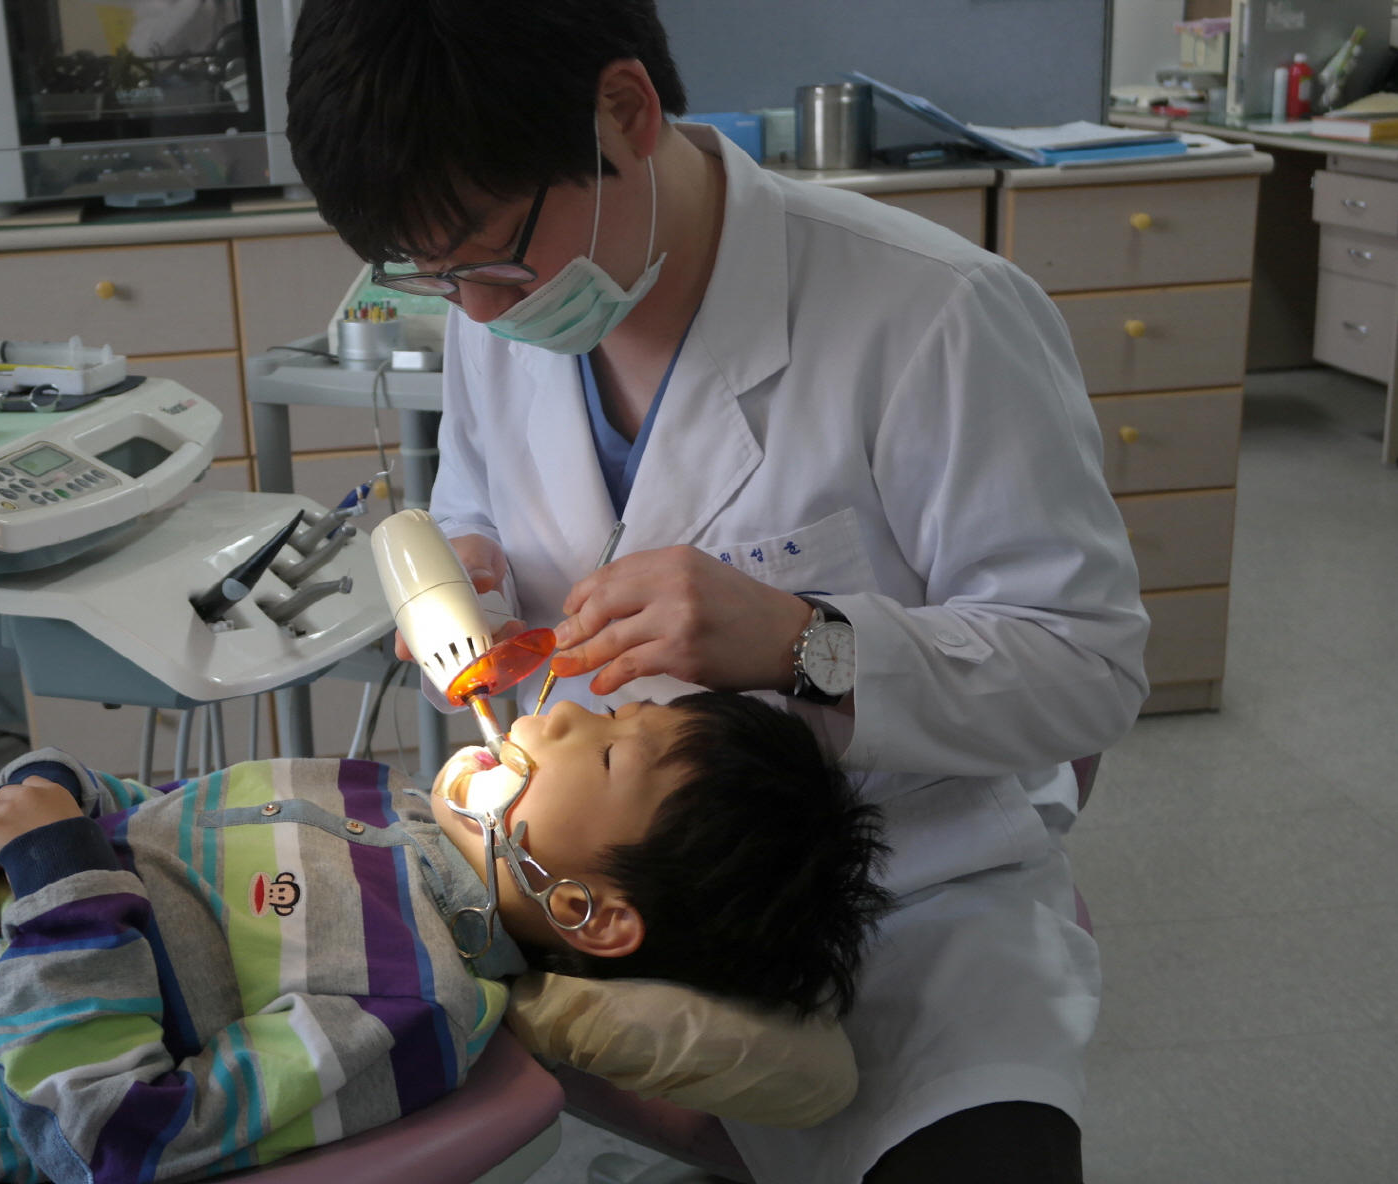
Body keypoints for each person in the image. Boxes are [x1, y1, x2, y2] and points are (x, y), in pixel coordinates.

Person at [285, 2, 1149, 1182]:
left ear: (624, 112)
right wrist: (475, 565)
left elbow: (1088, 670)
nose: (474, 311)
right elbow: (481, 499)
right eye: (431, 274)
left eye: (486, 254)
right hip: (597, 911)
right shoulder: (503, 309)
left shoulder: (937, 314)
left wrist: (805, 643)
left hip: (905, 908)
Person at [0, 692, 887, 1184]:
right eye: (608, 710)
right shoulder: (377, 800)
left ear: (591, 913)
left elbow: (113, 1130)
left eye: (606, 753)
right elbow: (142, 811)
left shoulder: (411, 1007)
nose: (560, 716)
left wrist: (55, 866)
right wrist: (45, 792)